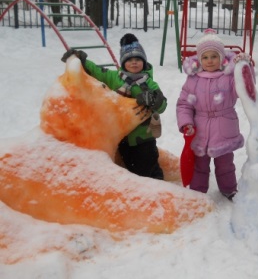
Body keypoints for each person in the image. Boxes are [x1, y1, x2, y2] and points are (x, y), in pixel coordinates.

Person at [61, 33, 167, 180]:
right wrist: (80, 59)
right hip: (122, 136)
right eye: (129, 60)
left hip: (143, 137)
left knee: (146, 167)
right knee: (130, 167)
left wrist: (154, 99)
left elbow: (162, 106)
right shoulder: (114, 78)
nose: (134, 63)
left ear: (143, 61)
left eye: (138, 59)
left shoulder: (149, 84)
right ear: (123, 63)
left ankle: (158, 186)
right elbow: (97, 71)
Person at [176, 29, 248, 200]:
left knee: (225, 164)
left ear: (222, 57)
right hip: (200, 129)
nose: (209, 61)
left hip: (224, 126)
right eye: (205, 57)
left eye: (214, 56)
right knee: (199, 164)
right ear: (199, 59)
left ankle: (229, 189)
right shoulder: (193, 79)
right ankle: (197, 191)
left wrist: (244, 67)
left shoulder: (229, 77)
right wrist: (186, 122)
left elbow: (246, 86)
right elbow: (184, 103)